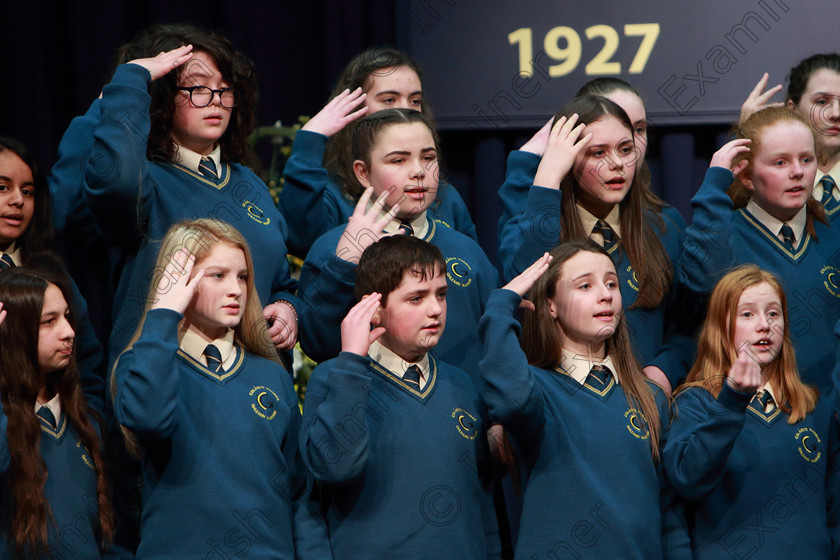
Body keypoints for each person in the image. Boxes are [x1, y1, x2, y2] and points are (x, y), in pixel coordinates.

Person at [82, 26, 300, 367]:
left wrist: (288, 309)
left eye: (224, 90)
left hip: (258, 391)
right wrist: (131, 80)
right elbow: (116, 181)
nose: (215, 101)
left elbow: (280, 281)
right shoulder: (145, 180)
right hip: (168, 387)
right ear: (161, 98)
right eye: (197, 88)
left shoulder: (250, 184)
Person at [112, 220, 323, 559]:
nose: (237, 289)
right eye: (217, 275)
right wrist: (163, 315)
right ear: (177, 281)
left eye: (242, 276)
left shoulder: (272, 376)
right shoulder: (144, 365)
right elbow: (148, 419)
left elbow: (300, 494)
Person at [478, 242, 690, 559]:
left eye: (612, 283)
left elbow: (669, 515)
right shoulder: (538, 390)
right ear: (551, 306)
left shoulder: (649, 397)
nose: (605, 295)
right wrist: (499, 308)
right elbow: (510, 401)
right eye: (585, 285)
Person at [300, 235, 500, 558]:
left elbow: (481, 498)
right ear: (373, 309)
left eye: (442, 294)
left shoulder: (461, 384)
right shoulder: (335, 378)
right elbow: (336, 468)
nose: (435, 309)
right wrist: (352, 363)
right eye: (416, 298)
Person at [498, 94, 692, 392]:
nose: (617, 164)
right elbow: (526, 285)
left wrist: (664, 370)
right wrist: (547, 173)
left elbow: (692, 320)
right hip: (565, 406)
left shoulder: (664, 226)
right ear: (569, 159)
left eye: (625, 149)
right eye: (598, 153)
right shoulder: (537, 224)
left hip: (651, 406)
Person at [298, 108, 497, 380]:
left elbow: (495, 348)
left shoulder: (467, 251)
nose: (418, 172)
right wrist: (344, 265)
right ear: (363, 172)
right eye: (398, 160)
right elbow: (318, 344)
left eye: (428, 158)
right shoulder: (332, 249)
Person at [664, 265, 840, 559]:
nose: (765, 325)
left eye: (773, 314)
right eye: (747, 314)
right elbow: (688, 481)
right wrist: (732, 402)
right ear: (722, 327)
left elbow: (834, 511)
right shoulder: (696, 403)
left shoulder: (813, 409)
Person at [680, 106, 840, 394]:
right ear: (747, 176)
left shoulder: (834, 234)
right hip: (752, 418)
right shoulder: (724, 234)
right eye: (780, 162)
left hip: (828, 418)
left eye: (806, 159)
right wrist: (715, 183)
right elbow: (699, 281)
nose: (797, 172)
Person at [279, 46, 477, 257]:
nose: (405, 110)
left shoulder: (443, 196)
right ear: (352, 107)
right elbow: (299, 239)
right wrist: (310, 139)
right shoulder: (331, 194)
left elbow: (473, 269)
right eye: (389, 100)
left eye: (415, 101)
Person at [0, 268, 113, 559]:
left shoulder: (80, 418)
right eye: (49, 321)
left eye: (66, 316)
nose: (69, 332)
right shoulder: (7, 422)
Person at [0, 137, 105, 414]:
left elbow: (88, 362)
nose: (17, 200)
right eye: (2, 187)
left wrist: (91, 429)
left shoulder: (51, 275)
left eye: (28, 191)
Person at [740, 55, 840, 223]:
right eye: (822, 102)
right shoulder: (758, 184)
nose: (836, 114)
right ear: (793, 109)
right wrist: (746, 140)